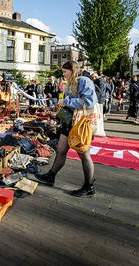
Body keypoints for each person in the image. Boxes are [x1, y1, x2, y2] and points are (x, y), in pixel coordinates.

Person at [34, 61, 98, 197]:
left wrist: (67, 102)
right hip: (69, 122)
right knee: (61, 149)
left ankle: (89, 186)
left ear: (72, 70)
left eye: (65, 72)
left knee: (84, 154)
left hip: (81, 123)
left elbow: (89, 102)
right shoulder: (72, 82)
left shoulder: (84, 81)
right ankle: (51, 176)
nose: (63, 74)